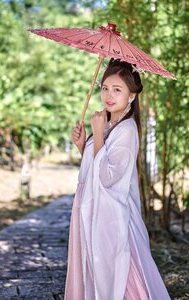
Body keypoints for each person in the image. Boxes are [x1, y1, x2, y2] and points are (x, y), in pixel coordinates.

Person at [64, 59, 171, 300]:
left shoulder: (126, 130)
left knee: (115, 274)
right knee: (94, 269)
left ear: (131, 96)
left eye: (117, 89)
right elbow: (96, 168)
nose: (108, 95)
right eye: (105, 88)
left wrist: (98, 134)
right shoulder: (109, 123)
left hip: (112, 218)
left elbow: (109, 177)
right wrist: (84, 146)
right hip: (93, 211)